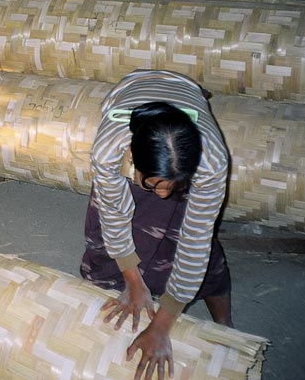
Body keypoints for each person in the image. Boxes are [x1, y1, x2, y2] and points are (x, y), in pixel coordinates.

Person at [80, 69, 232, 380]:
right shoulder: (110, 150)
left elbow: (195, 241)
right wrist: (134, 283)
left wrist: (162, 325)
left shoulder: (212, 161)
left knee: (195, 247)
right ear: (133, 158)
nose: (163, 195)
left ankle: (226, 325)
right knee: (107, 236)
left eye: (172, 186)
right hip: (131, 88)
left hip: (184, 95)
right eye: (153, 185)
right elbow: (114, 217)